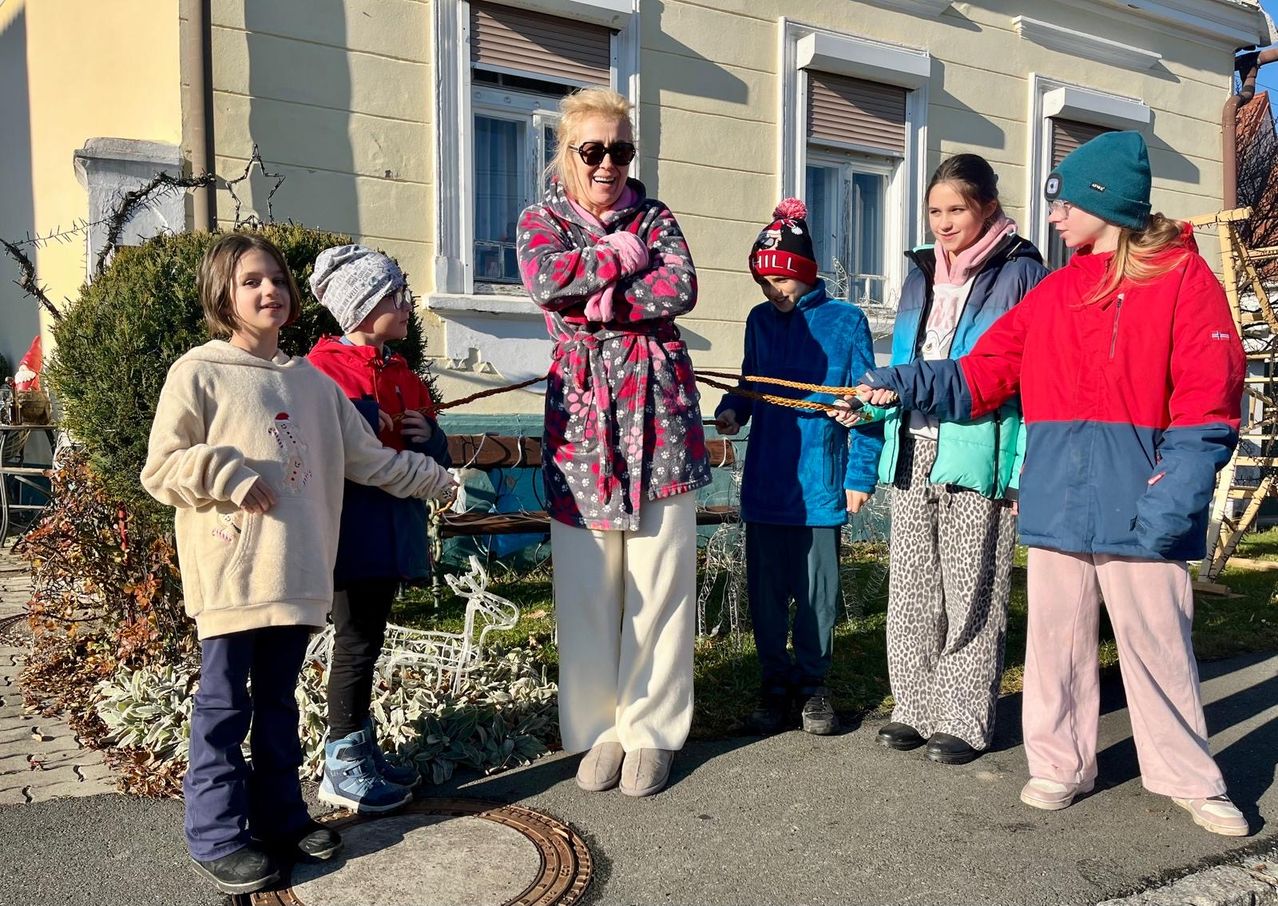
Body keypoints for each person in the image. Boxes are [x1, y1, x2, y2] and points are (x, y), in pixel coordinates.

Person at [845, 131, 1249, 835]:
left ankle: (1190, 778)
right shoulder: (1059, 289)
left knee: (1158, 647)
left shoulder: (1186, 281)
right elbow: (983, 371)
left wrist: (1174, 495)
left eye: (1065, 203)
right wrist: (899, 383)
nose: (1054, 216)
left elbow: (1208, 405)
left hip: (1144, 501)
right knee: (1056, 646)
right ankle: (1060, 764)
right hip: (1058, 497)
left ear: (1107, 201)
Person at [141, 234, 455, 895]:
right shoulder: (199, 372)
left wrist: (435, 478)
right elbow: (162, 468)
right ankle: (216, 835)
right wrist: (223, 473)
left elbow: (371, 460)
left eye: (278, 280)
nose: (270, 292)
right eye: (252, 281)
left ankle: (282, 817)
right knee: (224, 706)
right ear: (222, 294)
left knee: (279, 705)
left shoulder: (312, 384)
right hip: (232, 576)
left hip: (297, 575)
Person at [515, 86, 709, 798]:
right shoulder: (540, 220)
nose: (608, 164)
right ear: (566, 153)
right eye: (593, 150)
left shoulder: (656, 216)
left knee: (660, 584)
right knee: (587, 587)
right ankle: (600, 730)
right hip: (583, 428)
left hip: (660, 419)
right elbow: (546, 281)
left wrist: (594, 293)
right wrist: (621, 259)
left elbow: (679, 288)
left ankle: (651, 729)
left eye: (621, 151)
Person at [858, 155, 1047, 765]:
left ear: (987, 207)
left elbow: (1030, 379)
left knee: (972, 588)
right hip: (912, 445)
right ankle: (913, 705)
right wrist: (873, 409)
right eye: (934, 210)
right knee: (911, 585)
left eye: (956, 209)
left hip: (980, 449)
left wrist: (1021, 470)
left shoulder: (1023, 272)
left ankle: (964, 716)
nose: (943, 223)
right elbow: (906, 365)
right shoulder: (919, 273)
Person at [715, 198, 883, 736]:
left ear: (806, 271)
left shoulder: (846, 321)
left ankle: (813, 684)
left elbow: (869, 404)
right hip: (766, 484)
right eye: (764, 283)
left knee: (817, 595)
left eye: (781, 280)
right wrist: (732, 409)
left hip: (819, 486)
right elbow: (751, 381)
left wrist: (860, 474)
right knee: (765, 596)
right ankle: (774, 682)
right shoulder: (759, 321)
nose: (773, 291)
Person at [307, 245, 453, 813]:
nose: (408, 306)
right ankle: (340, 763)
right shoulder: (322, 371)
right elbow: (324, 442)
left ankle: (359, 747)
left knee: (368, 639)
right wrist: (373, 419)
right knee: (355, 643)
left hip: (393, 531)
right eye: (396, 296)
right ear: (363, 306)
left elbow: (436, 451)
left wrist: (429, 436)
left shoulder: (402, 373)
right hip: (352, 535)